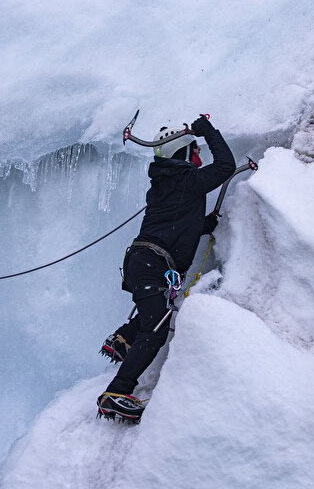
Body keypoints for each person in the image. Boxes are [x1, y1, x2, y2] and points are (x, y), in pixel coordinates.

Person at [96, 114, 235, 423]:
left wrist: (202, 224)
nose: (198, 156)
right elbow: (225, 167)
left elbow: (174, 223)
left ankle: (122, 339)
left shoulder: (166, 184)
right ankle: (116, 393)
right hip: (152, 263)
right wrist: (209, 131)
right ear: (182, 152)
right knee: (156, 330)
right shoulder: (184, 180)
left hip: (143, 261)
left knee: (155, 317)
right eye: (194, 150)